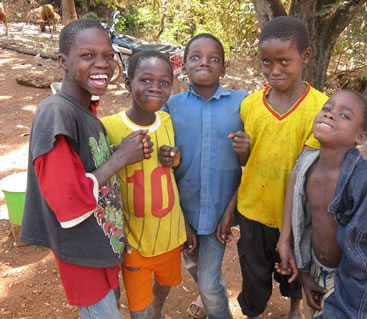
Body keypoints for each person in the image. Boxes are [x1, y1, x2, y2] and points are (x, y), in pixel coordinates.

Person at [20, 19, 152, 318]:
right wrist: (120, 160)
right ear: (63, 61)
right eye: (88, 55)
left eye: (107, 55)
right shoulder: (56, 112)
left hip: (99, 246)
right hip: (81, 254)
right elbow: (68, 200)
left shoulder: (84, 110)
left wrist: (120, 152)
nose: (102, 64)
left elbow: (86, 167)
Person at [275, 89, 367, 318]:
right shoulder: (307, 163)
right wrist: (290, 249)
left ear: (359, 137)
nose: (330, 115)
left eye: (345, 116)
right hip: (315, 268)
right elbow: (294, 180)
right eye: (327, 109)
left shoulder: (363, 180)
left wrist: (345, 295)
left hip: (349, 277)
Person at [229, 16, 329, 319]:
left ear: (305, 57)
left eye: (284, 61)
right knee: (254, 272)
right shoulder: (250, 105)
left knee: (295, 270)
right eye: (266, 62)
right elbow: (247, 161)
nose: (274, 70)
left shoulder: (321, 108)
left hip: (298, 214)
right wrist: (242, 152)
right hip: (253, 210)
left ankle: (294, 308)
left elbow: (307, 173)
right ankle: (252, 312)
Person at [160, 33, 248, 319]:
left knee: (208, 285)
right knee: (195, 267)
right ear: (183, 65)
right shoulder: (170, 108)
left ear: (223, 67)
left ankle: (216, 308)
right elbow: (162, 162)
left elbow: (252, 161)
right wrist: (180, 218)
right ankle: (212, 298)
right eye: (195, 57)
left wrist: (245, 151)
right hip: (183, 210)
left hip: (220, 212)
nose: (205, 63)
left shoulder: (242, 104)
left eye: (214, 59)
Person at [101, 50, 187, 319]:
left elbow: (178, 166)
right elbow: (101, 182)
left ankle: (158, 311)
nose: (155, 88)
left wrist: (175, 159)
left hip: (170, 235)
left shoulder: (170, 122)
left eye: (164, 83)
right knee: (140, 310)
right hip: (134, 242)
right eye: (146, 80)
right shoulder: (108, 127)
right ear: (127, 82)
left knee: (165, 285)